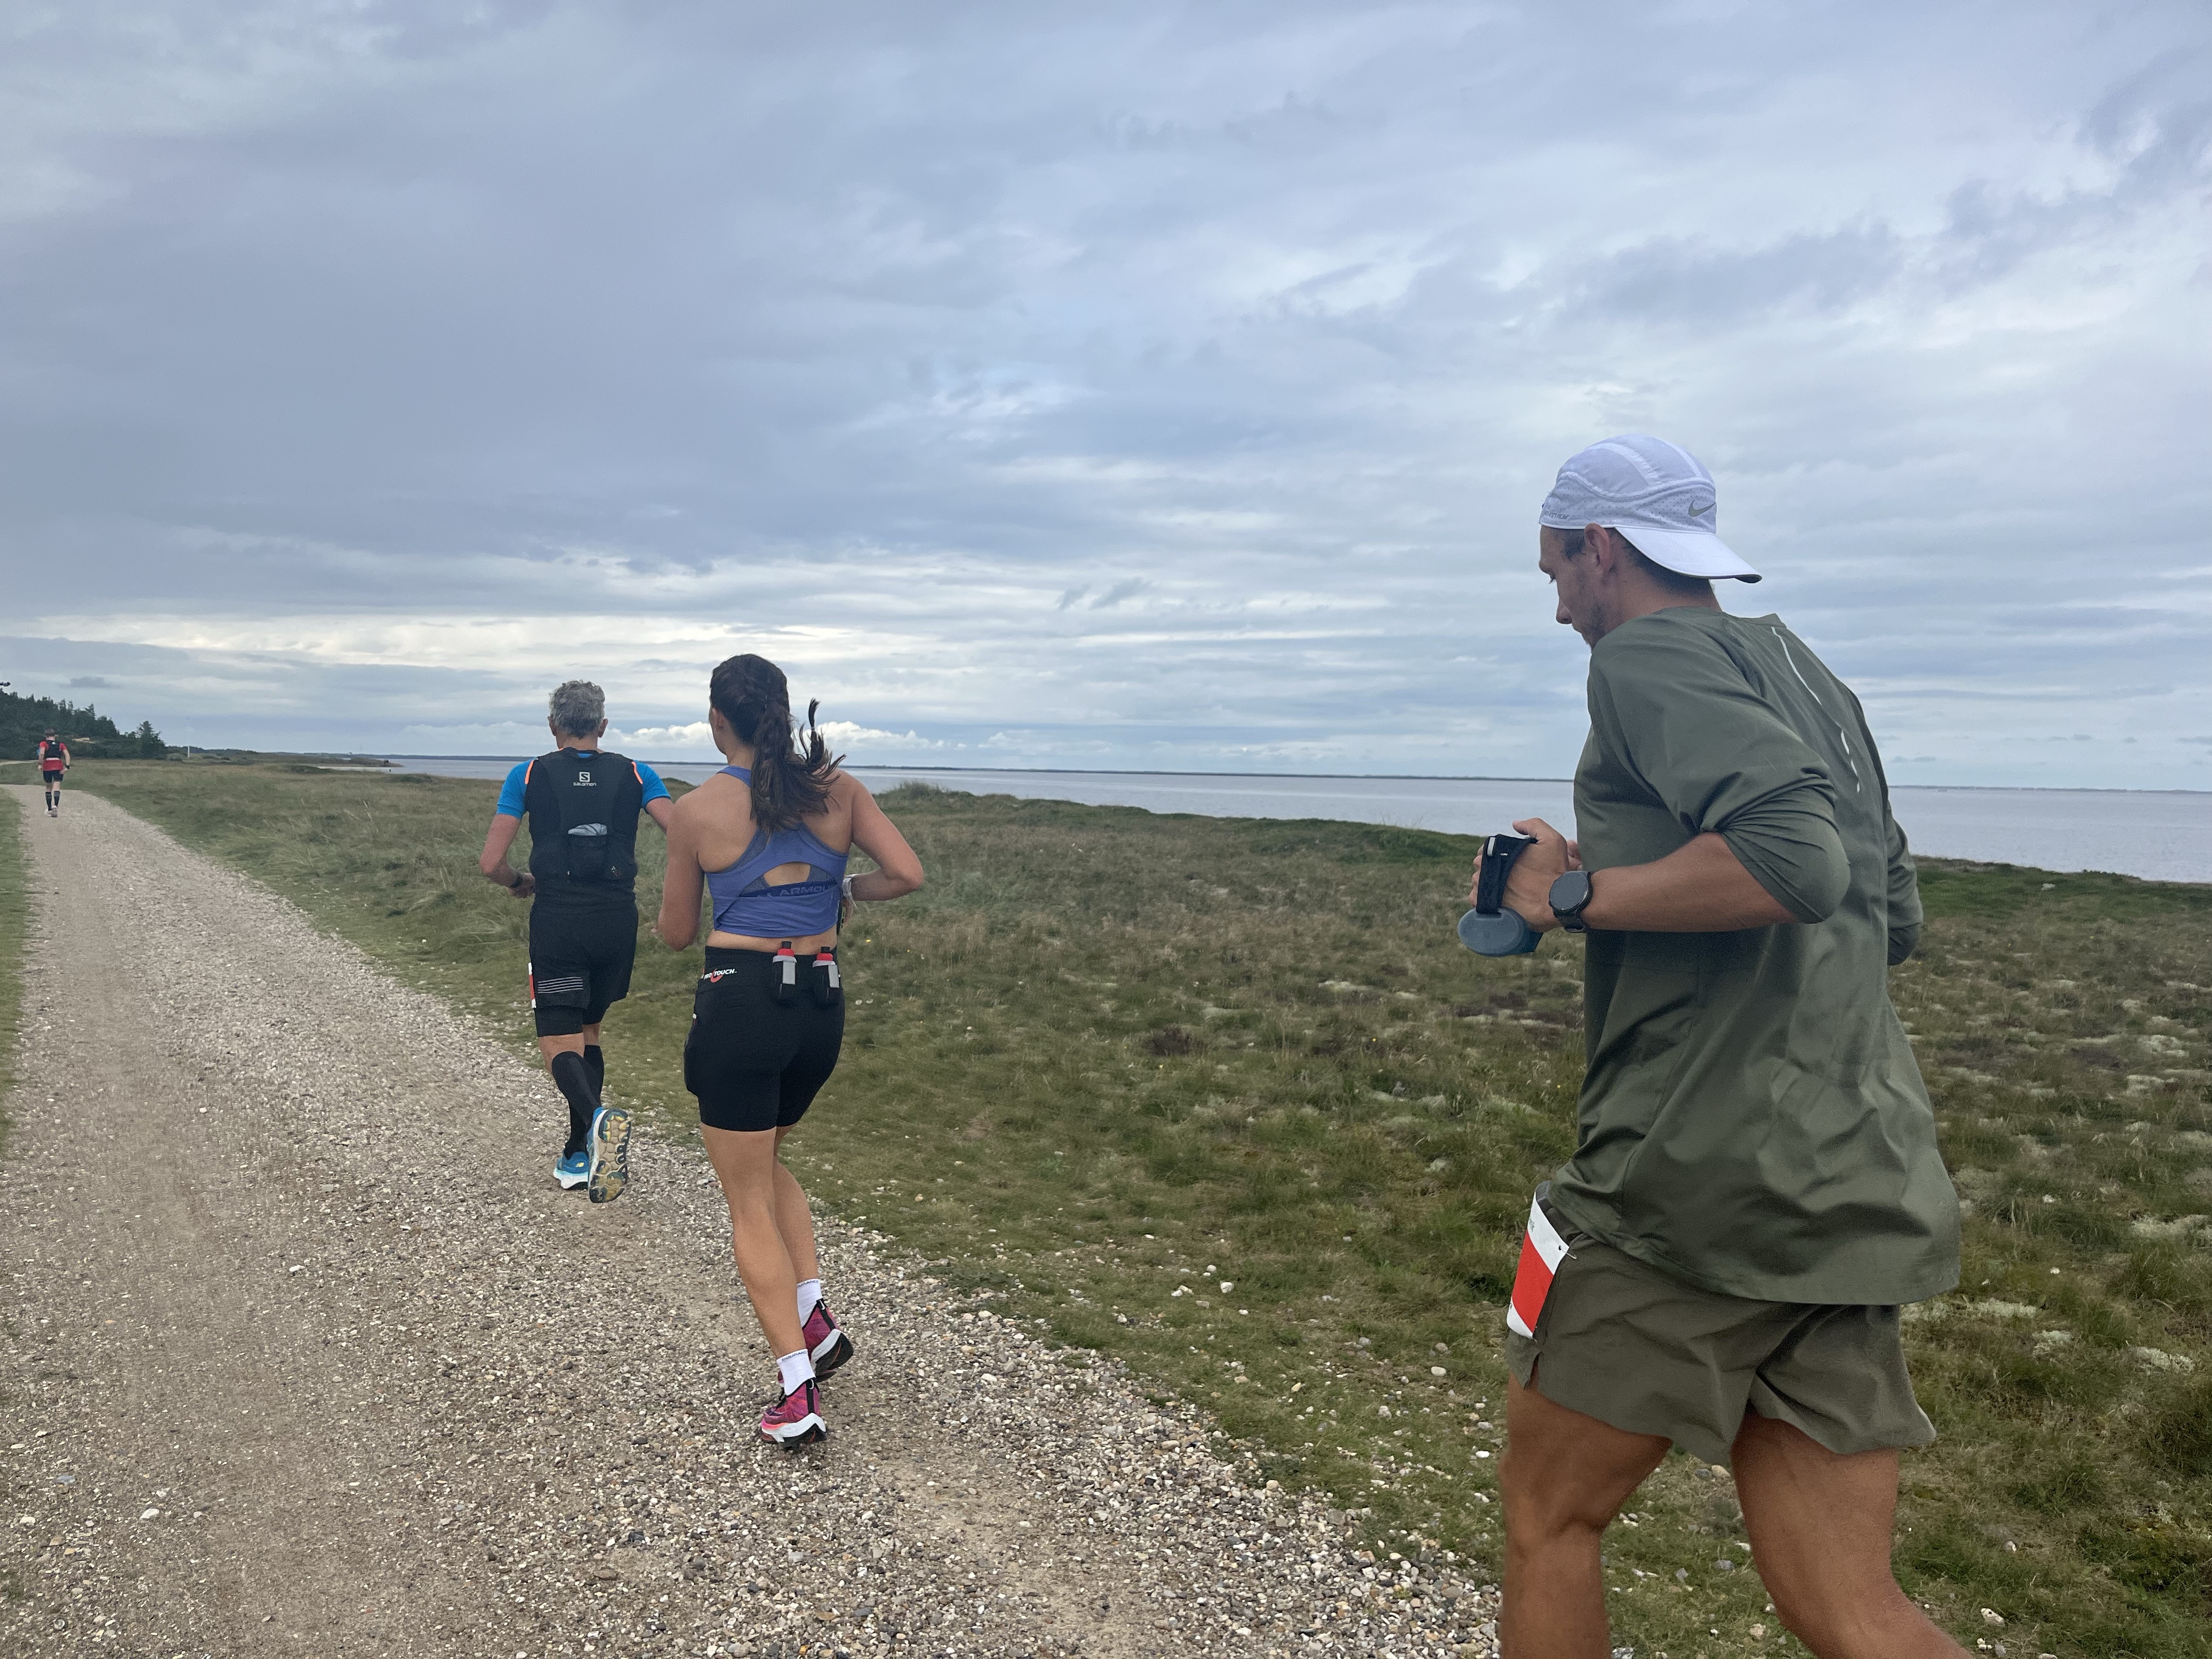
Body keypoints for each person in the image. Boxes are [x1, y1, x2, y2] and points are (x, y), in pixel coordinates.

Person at [1482, 435, 1965, 1659]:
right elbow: (1888, 915)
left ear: (1600, 547)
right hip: (1852, 1182)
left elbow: (1794, 865)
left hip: (1688, 1183)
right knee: (1852, 1606)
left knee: (1549, 1519)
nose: (1558, 606)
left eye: (1554, 571)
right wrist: (1641, 878)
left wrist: (1569, 898)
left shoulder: (1643, 657)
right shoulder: (1807, 675)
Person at [655, 653, 922, 1447]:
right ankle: (813, 1319)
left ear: (718, 720)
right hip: (820, 1004)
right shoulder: (839, 790)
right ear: (781, 711)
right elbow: (905, 874)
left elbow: (675, 934)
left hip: (742, 1000)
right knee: (764, 1161)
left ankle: (796, 1393)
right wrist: (840, 890)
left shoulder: (697, 809)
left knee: (745, 1197)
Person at [478, 681, 675, 1201]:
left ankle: (597, 1119)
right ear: (602, 726)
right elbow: (683, 834)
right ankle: (579, 1153)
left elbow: (491, 863)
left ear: (553, 726)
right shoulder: (638, 773)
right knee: (588, 1031)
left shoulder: (528, 774)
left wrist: (519, 881)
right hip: (616, 921)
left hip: (559, 922)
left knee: (557, 1042)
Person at [37, 730, 69, 817]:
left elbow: (42, 753)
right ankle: (55, 806)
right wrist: (67, 766)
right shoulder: (60, 744)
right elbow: (67, 754)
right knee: (57, 785)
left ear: (46, 736)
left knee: (49, 786)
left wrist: (40, 764)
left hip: (47, 766)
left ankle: (49, 809)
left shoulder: (44, 743)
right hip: (58, 765)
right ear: (54, 736)